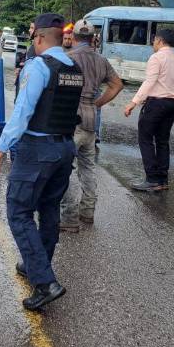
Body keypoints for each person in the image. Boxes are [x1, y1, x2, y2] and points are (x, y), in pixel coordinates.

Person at [0, 13, 83, 311]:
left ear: (40, 39)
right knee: (49, 209)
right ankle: (36, 265)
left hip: (38, 149)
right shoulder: (74, 67)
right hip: (64, 148)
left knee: (19, 212)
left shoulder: (39, 66)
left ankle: (45, 282)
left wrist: (0, 146)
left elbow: (23, 110)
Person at [59, 19, 125, 231]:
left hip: (71, 121)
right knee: (87, 167)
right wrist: (97, 104)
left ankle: (68, 218)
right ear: (93, 38)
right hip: (90, 120)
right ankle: (87, 212)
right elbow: (117, 85)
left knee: (63, 169)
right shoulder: (101, 60)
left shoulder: (67, 59)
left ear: (75, 38)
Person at [123, 28, 174, 192]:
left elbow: (149, 82)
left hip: (157, 103)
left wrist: (133, 102)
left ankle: (151, 179)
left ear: (160, 40)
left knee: (146, 139)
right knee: (163, 141)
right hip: (172, 104)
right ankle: (163, 179)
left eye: (154, 40)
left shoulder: (156, 58)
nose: (153, 43)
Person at [14, 22, 37, 99]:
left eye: (32, 28)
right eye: (30, 28)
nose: (29, 30)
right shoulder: (32, 46)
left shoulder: (37, 48)